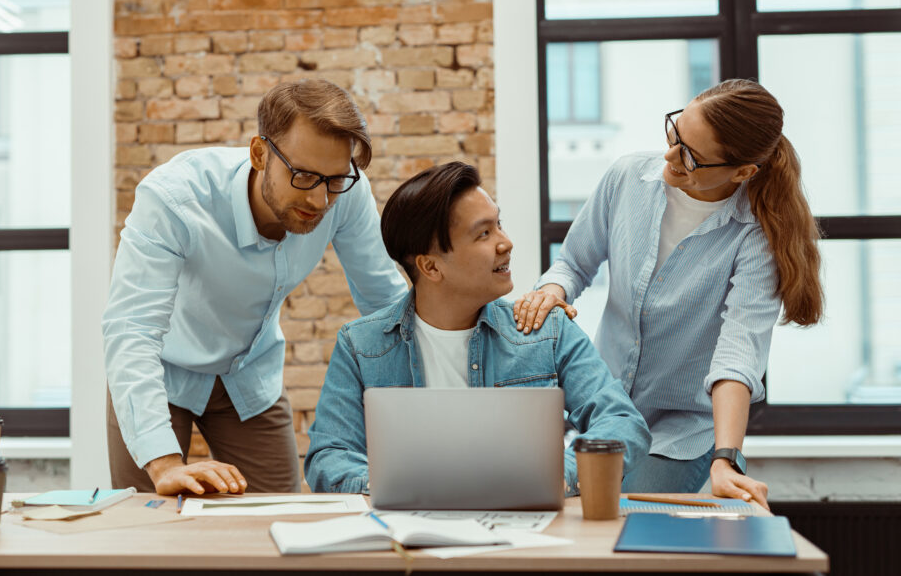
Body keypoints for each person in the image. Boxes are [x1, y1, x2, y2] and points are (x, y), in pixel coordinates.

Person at [514, 79, 824, 509]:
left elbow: (738, 354)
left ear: (742, 172)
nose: (669, 156)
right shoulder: (626, 178)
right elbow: (573, 263)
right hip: (604, 412)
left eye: (690, 155)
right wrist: (552, 291)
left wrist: (726, 460)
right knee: (555, 508)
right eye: (675, 134)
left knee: (614, 515)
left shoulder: (755, 237)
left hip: (678, 434)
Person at [102, 79, 409, 497]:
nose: (320, 200)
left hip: (248, 376)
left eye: (334, 180)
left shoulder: (345, 193)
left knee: (279, 521)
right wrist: (165, 462)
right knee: (147, 526)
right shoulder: (174, 197)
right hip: (158, 372)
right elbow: (131, 328)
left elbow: (384, 303)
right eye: (303, 176)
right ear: (260, 153)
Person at [305, 161, 650, 495]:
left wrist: (561, 472)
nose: (506, 243)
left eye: (499, 224)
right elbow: (328, 458)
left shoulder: (548, 330)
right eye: (484, 233)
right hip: (408, 537)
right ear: (430, 267)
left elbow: (622, 422)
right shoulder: (360, 346)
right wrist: (394, 487)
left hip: (525, 532)